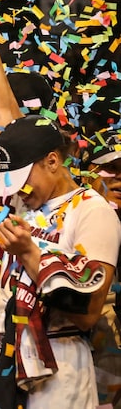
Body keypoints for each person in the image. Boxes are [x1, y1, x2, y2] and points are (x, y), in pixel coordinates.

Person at [0, 0, 121, 408]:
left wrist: (31, 254)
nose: (18, 190)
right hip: (7, 353)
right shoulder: (29, 195)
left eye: (25, 178)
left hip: (60, 363)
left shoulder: (94, 211)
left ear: (53, 161)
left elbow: (86, 314)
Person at [81, 127, 121, 409]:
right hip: (93, 344)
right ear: (88, 173)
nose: (119, 177)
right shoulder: (75, 217)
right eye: (110, 168)